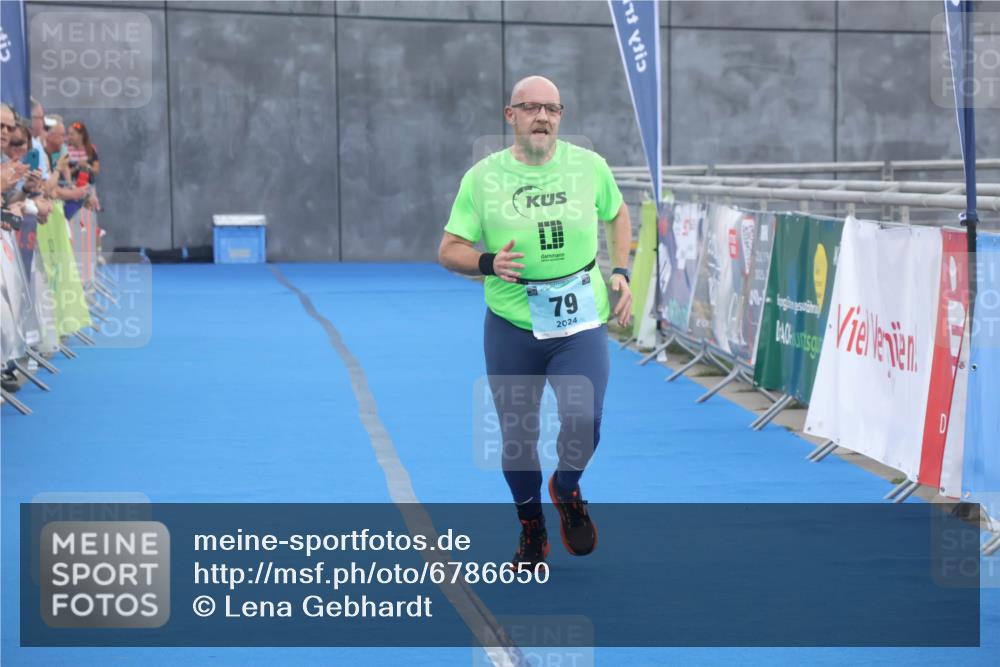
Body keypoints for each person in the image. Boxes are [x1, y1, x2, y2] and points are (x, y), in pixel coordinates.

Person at [438, 76, 633, 568]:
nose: (542, 117)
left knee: (585, 420)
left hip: (579, 320)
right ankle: (531, 524)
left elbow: (617, 214)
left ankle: (566, 488)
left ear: (561, 116)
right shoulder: (482, 179)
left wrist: (621, 271)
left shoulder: (589, 166)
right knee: (518, 436)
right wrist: (488, 263)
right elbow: (449, 250)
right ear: (511, 115)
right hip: (512, 324)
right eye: (530, 108)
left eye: (552, 108)